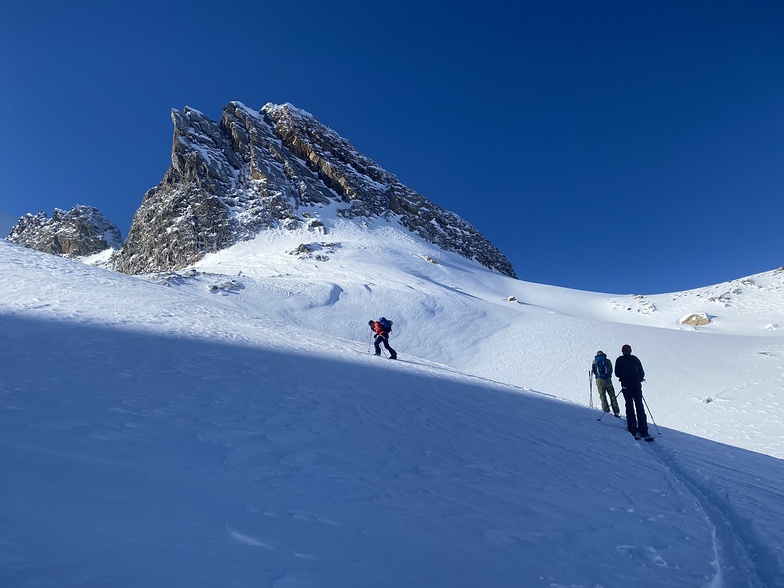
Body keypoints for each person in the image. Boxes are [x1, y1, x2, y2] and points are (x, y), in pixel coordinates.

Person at [614, 344, 650, 440]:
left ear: (622, 351)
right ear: (630, 351)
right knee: (639, 405)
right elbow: (642, 372)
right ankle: (643, 429)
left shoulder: (619, 360)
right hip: (636, 385)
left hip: (626, 385)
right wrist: (639, 379)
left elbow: (617, 373)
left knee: (629, 405)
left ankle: (632, 427)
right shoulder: (635, 359)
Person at [592, 350, 619, 416]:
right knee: (612, 395)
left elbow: (594, 371)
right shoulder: (607, 361)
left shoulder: (594, 361)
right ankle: (616, 411)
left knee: (602, 396)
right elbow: (611, 370)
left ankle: (606, 410)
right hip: (608, 381)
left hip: (599, 381)